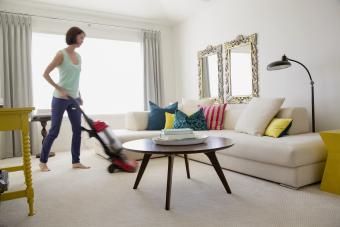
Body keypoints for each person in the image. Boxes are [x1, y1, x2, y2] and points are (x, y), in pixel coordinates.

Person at [39, 27, 90, 171]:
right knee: (54, 131)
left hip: (74, 98)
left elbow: (75, 79)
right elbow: (46, 74)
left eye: (83, 39)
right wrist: (60, 89)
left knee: (77, 130)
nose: (82, 41)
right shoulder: (61, 54)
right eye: (81, 38)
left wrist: (80, 95)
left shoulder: (79, 56)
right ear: (73, 37)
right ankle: (43, 162)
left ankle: (76, 161)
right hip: (60, 98)